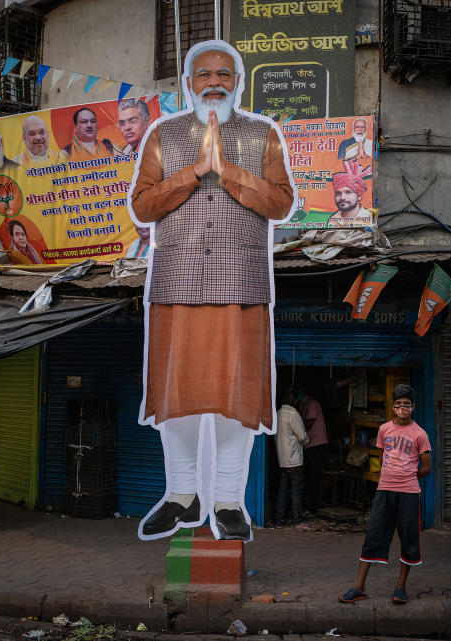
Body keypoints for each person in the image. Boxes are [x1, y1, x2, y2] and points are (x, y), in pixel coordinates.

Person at [129, 40, 294, 542]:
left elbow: (281, 203)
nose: (215, 82)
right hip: (176, 284)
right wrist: (195, 171)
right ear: (188, 84)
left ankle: (227, 502)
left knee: (237, 401)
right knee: (175, 399)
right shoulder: (164, 135)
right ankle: (182, 496)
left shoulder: (262, 135)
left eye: (225, 73)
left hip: (240, 285)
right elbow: (143, 207)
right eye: (204, 75)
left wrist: (229, 171)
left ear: (238, 83)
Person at [339, 384, 432, 605]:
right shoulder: (384, 430)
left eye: (406, 404)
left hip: (409, 493)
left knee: (409, 539)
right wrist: (392, 475)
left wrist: (407, 475)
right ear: (393, 406)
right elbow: (382, 457)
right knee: (373, 536)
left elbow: (427, 466)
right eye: (398, 404)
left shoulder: (420, 434)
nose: (402, 408)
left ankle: (400, 587)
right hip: (384, 491)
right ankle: (358, 587)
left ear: (413, 407)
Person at [275, 390, 308, 527]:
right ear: (294, 401)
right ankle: (297, 520)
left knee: (283, 490)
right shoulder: (293, 414)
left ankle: (280, 521)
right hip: (294, 459)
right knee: (296, 490)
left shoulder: (277, 414)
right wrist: (306, 440)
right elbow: (302, 436)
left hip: (282, 458)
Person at [299, 391, 328, 516]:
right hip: (309, 444)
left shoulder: (312, 404)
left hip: (317, 444)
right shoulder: (302, 405)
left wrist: (296, 426)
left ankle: (311, 507)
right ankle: (311, 505)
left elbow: (309, 423)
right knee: (310, 476)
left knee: (313, 476)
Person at [328, 160, 376, 227]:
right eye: (338, 193)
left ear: (359, 196)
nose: (342, 198)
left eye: (348, 192)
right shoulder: (332, 220)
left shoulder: (370, 219)